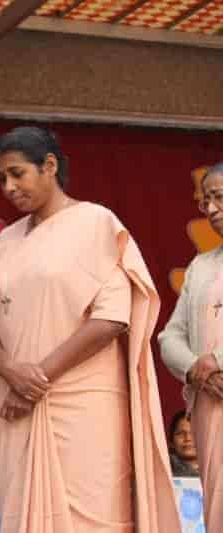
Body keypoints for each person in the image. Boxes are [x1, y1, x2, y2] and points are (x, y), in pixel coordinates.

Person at [0, 126, 179, 533]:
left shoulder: (96, 223)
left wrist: (36, 379)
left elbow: (112, 317)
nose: (9, 187)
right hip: (18, 406)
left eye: (17, 174)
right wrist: (12, 372)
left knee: (93, 516)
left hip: (83, 403)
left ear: (49, 166)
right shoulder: (5, 242)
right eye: (2, 178)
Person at [159, 161, 223, 530]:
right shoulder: (201, 266)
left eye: (219, 198)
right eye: (205, 201)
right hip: (210, 406)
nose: (211, 209)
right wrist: (197, 369)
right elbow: (170, 337)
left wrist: (217, 360)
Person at [167, 410, 200, 477]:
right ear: (171, 442)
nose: (188, 438)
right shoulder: (164, 471)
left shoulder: (217, 472)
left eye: (194, 433)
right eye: (180, 434)